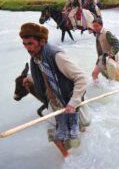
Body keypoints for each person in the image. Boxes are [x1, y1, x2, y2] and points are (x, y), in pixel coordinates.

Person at [19, 22, 87, 157]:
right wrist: (30, 78)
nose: (27, 48)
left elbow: (81, 78)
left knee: (80, 129)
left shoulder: (57, 56)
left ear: (42, 41)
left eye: (30, 43)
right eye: (25, 44)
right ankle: (67, 160)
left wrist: (73, 103)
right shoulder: (36, 58)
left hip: (67, 100)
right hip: (53, 101)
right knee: (55, 137)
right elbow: (45, 75)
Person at [91, 18, 119, 82]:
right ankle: (96, 87)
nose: (95, 28)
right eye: (93, 26)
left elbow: (117, 43)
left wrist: (111, 53)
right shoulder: (97, 33)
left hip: (110, 58)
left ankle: (116, 85)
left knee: (111, 77)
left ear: (101, 25)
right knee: (94, 74)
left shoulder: (107, 33)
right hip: (102, 58)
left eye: (96, 26)